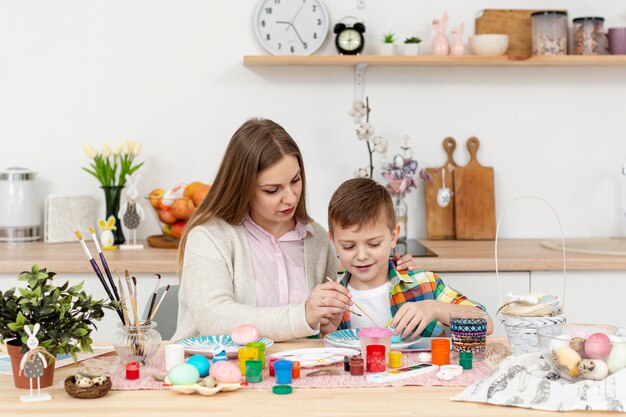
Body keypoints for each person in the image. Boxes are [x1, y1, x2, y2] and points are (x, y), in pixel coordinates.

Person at [172, 119, 416, 342]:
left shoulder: (317, 239)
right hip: (213, 373)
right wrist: (304, 315)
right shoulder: (208, 238)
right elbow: (214, 320)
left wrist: (392, 271)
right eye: (272, 190)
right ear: (243, 187)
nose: (290, 197)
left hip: (298, 375)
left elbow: (328, 323)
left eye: (295, 180)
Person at [324, 177, 494, 339]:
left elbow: (486, 324)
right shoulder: (332, 302)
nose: (361, 256)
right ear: (333, 241)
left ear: (393, 236)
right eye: (349, 246)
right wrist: (326, 333)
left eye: (374, 244)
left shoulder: (424, 284)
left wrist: (434, 308)